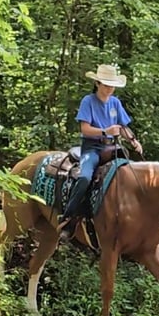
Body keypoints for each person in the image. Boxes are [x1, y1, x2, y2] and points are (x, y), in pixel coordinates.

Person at [60, 64, 143, 238]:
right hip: (92, 147)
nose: (109, 89)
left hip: (112, 148)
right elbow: (85, 129)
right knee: (84, 178)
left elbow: (123, 126)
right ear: (97, 83)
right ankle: (68, 217)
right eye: (106, 85)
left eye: (112, 85)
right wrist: (105, 131)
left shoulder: (115, 102)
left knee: (131, 175)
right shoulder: (88, 101)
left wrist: (133, 140)